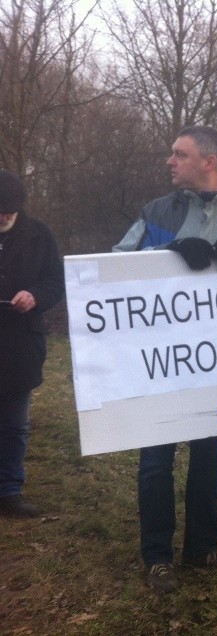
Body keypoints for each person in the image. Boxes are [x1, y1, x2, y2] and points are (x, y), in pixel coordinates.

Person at [114, 125, 217, 593]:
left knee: (210, 453)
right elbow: (116, 265)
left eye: (179, 154)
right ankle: (157, 555)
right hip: (163, 359)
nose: (169, 161)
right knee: (155, 461)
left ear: (209, 161)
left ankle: (203, 545)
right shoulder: (157, 211)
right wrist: (166, 255)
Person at [0, 170, 64, 518]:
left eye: (9, 210)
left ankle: (10, 490)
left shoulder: (40, 236)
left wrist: (35, 296)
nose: (3, 217)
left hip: (21, 343)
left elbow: (56, 281)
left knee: (15, 424)